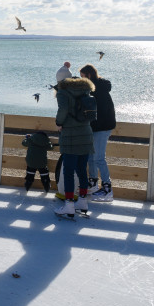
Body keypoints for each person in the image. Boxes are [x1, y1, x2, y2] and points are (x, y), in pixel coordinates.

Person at [53, 75, 95, 218]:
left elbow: (63, 110)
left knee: (69, 171)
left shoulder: (63, 92)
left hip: (70, 135)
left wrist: (58, 123)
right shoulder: (85, 91)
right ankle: (82, 201)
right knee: (82, 169)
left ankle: (69, 204)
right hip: (86, 133)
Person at [80, 64, 116, 202]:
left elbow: (98, 111)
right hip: (96, 127)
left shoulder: (97, 89)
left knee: (99, 158)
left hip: (103, 127)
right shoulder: (95, 88)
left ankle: (107, 189)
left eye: (83, 77)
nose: (82, 80)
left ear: (89, 75)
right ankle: (93, 183)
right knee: (91, 156)